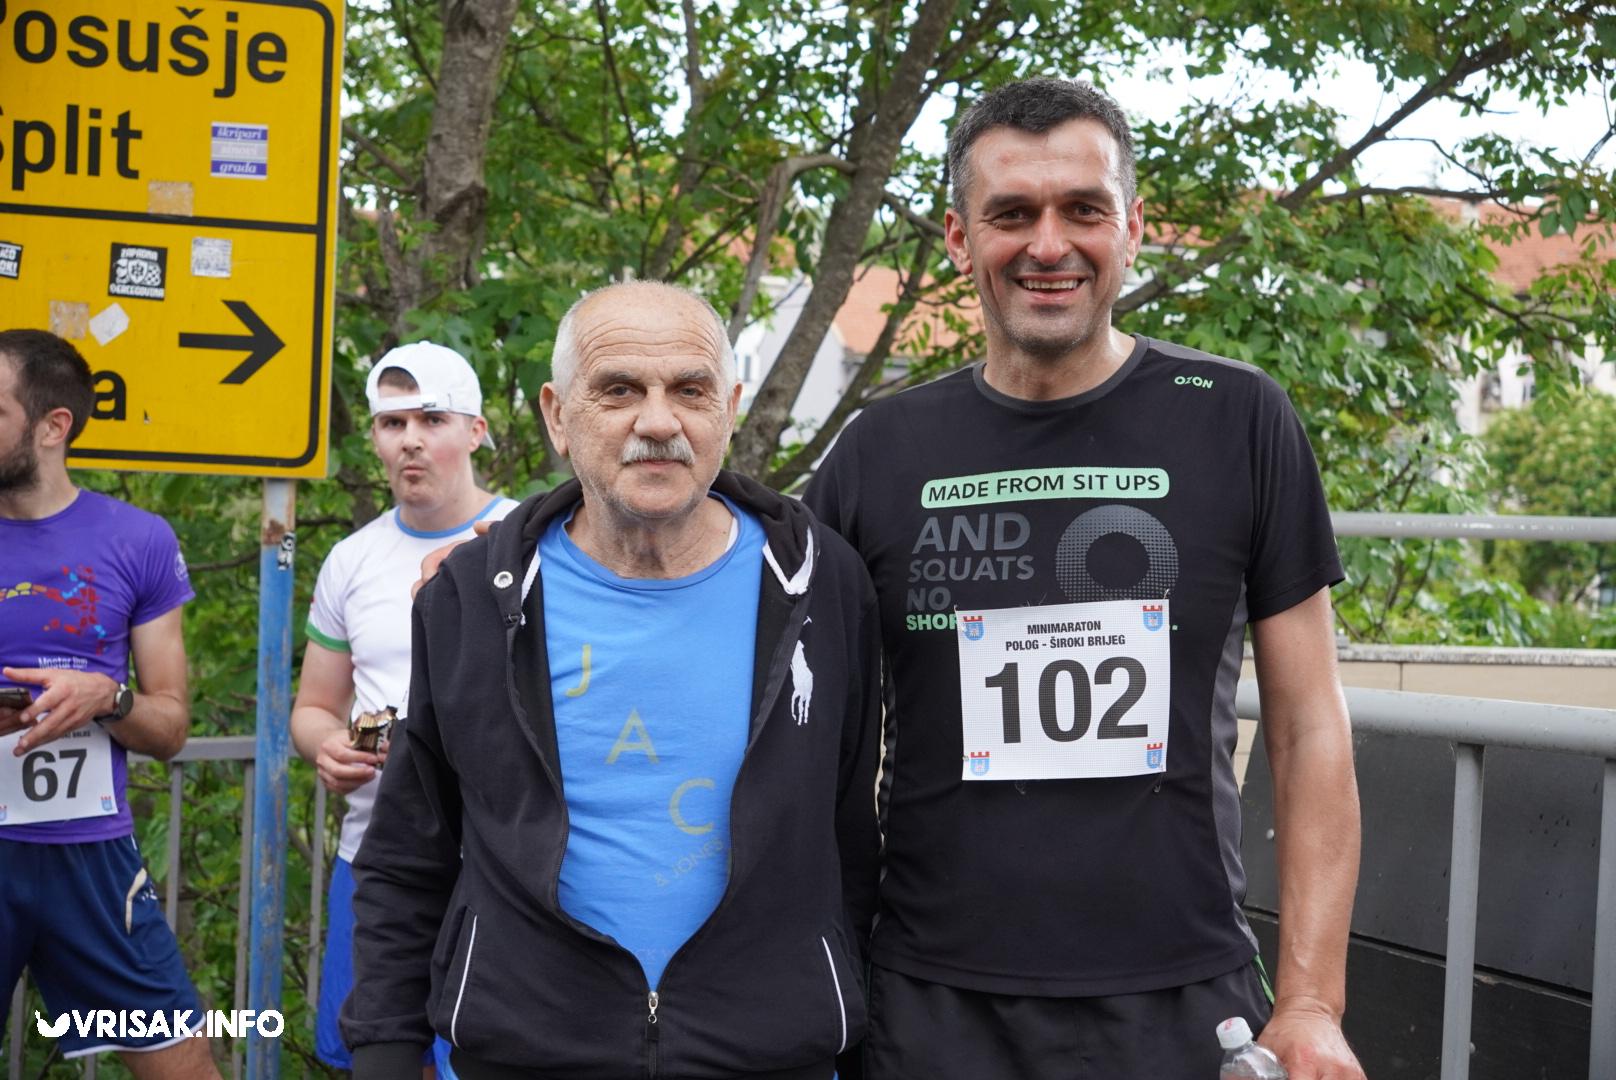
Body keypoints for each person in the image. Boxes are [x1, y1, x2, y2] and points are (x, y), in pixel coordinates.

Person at [804, 78, 1366, 1079]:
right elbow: (762, 660)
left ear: (1132, 228)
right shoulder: (878, 449)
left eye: (1082, 209)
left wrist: (1312, 1002)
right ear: (955, 238)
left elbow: (1307, 724)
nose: (1047, 244)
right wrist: (521, 551)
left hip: (1182, 1000)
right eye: (1010, 214)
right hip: (928, 1005)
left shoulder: (1235, 418)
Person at [340, 281, 881, 1080]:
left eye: (689, 390)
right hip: (530, 1052)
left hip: (768, 1054)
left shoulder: (819, 583)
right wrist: (385, 1054)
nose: (657, 422)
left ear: (728, 408)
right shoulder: (473, 598)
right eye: (618, 390)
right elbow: (411, 852)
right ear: (559, 416)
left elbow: (852, 836)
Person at [291, 342, 517, 1074]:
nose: (411, 439)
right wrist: (327, 746)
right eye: (392, 423)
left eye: (433, 418)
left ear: (477, 430)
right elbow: (313, 708)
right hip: (377, 858)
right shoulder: (351, 560)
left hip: (502, 863)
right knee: (379, 1057)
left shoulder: (530, 538)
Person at [0, 329, 219, 1078]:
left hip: (90, 865)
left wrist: (106, 696)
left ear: (52, 426)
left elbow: (169, 728)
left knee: (186, 1067)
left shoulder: (139, 540)